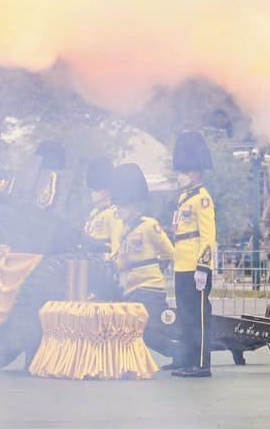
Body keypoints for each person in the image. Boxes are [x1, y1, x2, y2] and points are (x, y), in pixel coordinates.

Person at [110, 162, 175, 361]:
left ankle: (180, 355)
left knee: (149, 332)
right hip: (130, 288)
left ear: (134, 204)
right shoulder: (122, 229)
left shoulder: (149, 226)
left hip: (149, 288)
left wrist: (156, 269)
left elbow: (169, 253)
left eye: (123, 205)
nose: (119, 210)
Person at [169, 130, 216, 378]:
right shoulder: (183, 198)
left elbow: (207, 236)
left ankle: (201, 364)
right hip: (182, 265)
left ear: (194, 171)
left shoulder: (202, 199)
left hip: (196, 266)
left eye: (184, 171)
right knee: (185, 317)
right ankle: (186, 359)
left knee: (198, 318)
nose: (180, 176)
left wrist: (204, 267)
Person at [82, 158, 122, 259]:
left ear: (107, 190)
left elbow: (116, 247)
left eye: (96, 189)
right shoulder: (93, 213)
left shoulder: (113, 213)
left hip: (103, 265)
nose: (92, 193)